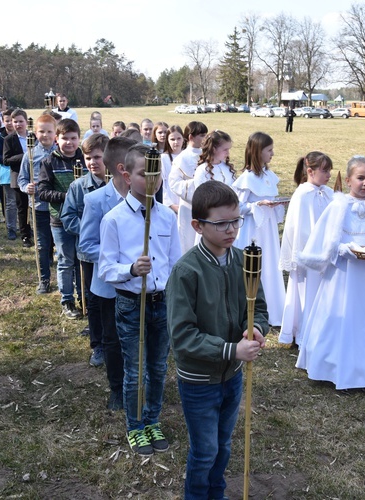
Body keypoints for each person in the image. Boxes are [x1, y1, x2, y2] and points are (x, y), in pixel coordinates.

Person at [166, 181, 269, 500]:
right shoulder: (186, 272)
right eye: (221, 223)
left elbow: (259, 307)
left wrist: (257, 329)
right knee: (205, 451)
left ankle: (217, 494)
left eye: (235, 220)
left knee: (224, 447)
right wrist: (231, 349)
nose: (231, 229)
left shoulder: (243, 262)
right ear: (197, 225)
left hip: (232, 377)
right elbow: (182, 337)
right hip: (199, 381)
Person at [98, 144, 181, 456]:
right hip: (132, 305)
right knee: (137, 370)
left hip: (161, 304)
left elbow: (174, 263)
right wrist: (130, 269)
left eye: (157, 173)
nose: (153, 179)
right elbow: (106, 268)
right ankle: (134, 424)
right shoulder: (114, 220)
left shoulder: (166, 219)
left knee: (159, 368)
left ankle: (152, 419)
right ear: (127, 175)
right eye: (144, 173)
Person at [295, 156, 365, 389]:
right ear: (349, 179)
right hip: (343, 272)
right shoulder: (338, 205)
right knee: (339, 311)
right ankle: (332, 364)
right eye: (360, 178)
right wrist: (342, 248)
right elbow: (325, 239)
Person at [80, 136, 137, 410]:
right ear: (120, 167)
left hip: (139, 284)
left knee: (137, 337)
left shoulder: (145, 196)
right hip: (109, 286)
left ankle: (138, 383)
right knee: (113, 340)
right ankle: (117, 388)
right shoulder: (95, 201)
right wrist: (114, 257)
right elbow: (86, 244)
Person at [278, 152, 334, 347]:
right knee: (306, 293)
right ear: (310, 171)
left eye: (330, 171)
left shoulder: (328, 193)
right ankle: (303, 332)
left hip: (324, 253)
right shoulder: (302, 195)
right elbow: (298, 228)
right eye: (324, 171)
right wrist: (305, 254)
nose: (328, 175)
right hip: (308, 256)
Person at [61, 133, 108, 363]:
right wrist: (89, 231)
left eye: (97, 157)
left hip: (117, 254)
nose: (92, 162)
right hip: (90, 256)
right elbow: (67, 216)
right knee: (94, 298)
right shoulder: (78, 187)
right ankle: (98, 344)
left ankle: (116, 339)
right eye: (88, 157)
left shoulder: (119, 184)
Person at [232, 132, 286, 329]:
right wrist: (256, 206)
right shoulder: (246, 179)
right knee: (254, 265)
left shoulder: (269, 176)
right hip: (253, 230)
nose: (272, 154)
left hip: (269, 230)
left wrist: (276, 204)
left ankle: (272, 308)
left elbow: (272, 197)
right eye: (269, 150)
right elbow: (236, 206)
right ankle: (248, 310)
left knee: (270, 263)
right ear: (257, 152)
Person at [38, 118, 85, 319]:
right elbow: (43, 191)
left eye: (73, 138)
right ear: (56, 139)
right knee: (66, 260)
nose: (69, 142)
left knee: (82, 260)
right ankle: (67, 300)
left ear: (79, 139)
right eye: (64, 138)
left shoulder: (85, 160)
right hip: (60, 220)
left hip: (84, 220)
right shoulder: (49, 162)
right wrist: (67, 197)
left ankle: (85, 297)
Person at [18, 113, 58, 294]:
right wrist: (27, 187)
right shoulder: (30, 154)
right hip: (39, 207)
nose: (46, 135)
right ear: (35, 133)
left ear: (55, 133)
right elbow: (22, 179)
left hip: (59, 207)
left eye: (49, 131)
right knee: (41, 244)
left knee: (60, 245)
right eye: (41, 131)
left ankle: (68, 278)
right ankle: (44, 279)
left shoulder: (61, 152)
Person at [168, 121, 208, 254]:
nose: (205, 138)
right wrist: (196, 185)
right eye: (202, 135)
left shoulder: (207, 154)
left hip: (208, 206)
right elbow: (174, 183)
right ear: (191, 137)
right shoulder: (182, 158)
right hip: (189, 208)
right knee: (189, 242)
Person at [3, 108, 33, 247]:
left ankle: (34, 230)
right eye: (15, 122)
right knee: (22, 207)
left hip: (34, 176)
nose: (18, 124)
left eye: (21, 121)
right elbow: (6, 159)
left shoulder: (33, 136)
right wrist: (25, 156)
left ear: (26, 122)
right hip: (17, 177)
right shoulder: (9, 139)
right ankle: (25, 235)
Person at [0, 108, 18, 240]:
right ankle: (11, 228)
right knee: (11, 202)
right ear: (2, 121)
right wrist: (12, 160)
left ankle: (26, 226)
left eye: (12, 121)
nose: (9, 123)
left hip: (22, 173)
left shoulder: (23, 137)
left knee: (25, 202)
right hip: (7, 174)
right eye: (6, 121)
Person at [160, 125, 183, 214]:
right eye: (172, 139)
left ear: (183, 139)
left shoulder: (187, 156)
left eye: (179, 138)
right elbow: (162, 184)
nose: (176, 142)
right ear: (167, 140)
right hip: (170, 203)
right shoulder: (164, 158)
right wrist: (171, 205)